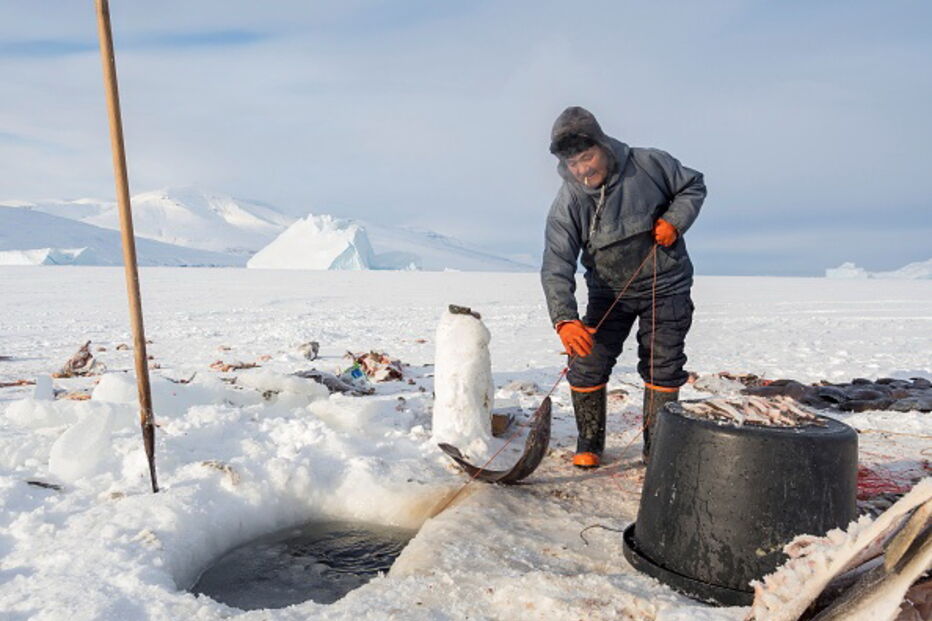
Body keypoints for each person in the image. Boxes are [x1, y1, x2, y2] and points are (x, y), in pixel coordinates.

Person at [541, 106, 706, 468]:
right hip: (609, 293)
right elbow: (556, 264)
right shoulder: (568, 203)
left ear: (603, 146)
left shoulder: (648, 165)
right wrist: (564, 319)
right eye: (573, 164)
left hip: (666, 285)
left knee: (662, 364)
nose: (583, 170)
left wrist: (675, 220)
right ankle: (589, 441)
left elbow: (693, 185)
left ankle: (657, 449)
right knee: (586, 362)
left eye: (587, 157)